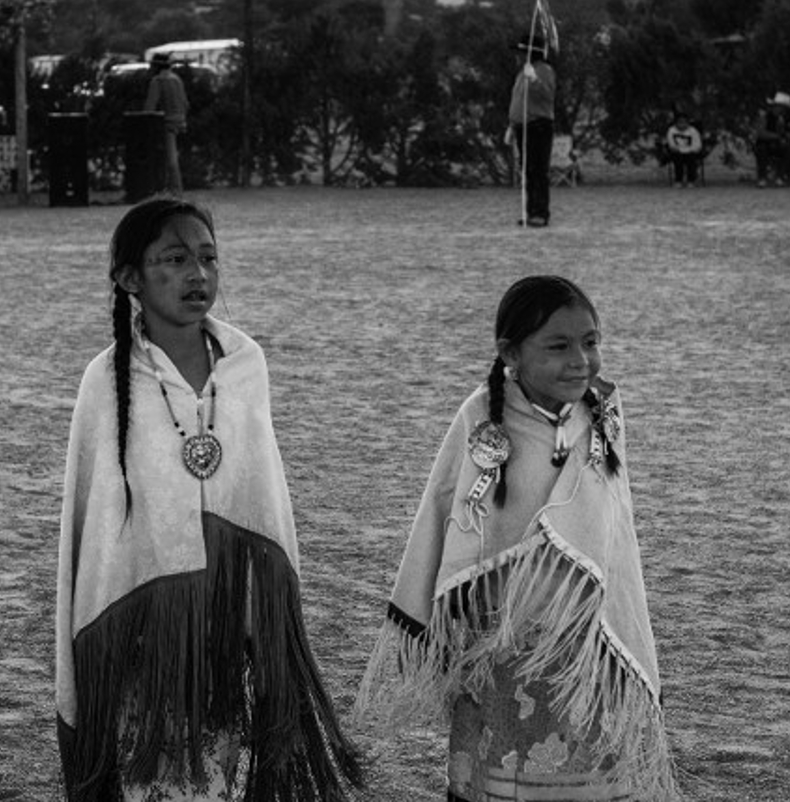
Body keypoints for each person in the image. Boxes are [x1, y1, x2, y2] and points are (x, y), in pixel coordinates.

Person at [54, 200, 362, 802]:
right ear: (129, 278)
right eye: (174, 259)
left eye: (208, 258)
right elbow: (93, 529)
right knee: (150, 778)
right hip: (141, 640)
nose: (198, 275)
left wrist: (254, 618)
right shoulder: (106, 380)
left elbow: (261, 498)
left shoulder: (245, 367)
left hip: (229, 632)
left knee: (225, 773)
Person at [356, 275, 679, 801]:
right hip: (501, 637)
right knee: (502, 769)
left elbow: (613, 531)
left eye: (591, 342)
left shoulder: (602, 414)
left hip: (586, 641)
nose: (581, 359)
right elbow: (447, 512)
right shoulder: (482, 417)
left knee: (585, 773)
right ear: (511, 353)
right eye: (559, 346)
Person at [507, 42, 556, 225]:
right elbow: (518, 99)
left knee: (538, 170)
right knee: (527, 170)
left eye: (521, 52)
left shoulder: (544, 70)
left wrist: (534, 80)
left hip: (538, 125)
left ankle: (541, 213)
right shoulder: (523, 72)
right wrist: (512, 125)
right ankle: (530, 211)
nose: (518, 56)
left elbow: (548, 96)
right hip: (523, 126)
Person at [142, 53, 190, 197]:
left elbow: (150, 107)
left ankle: (175, 191)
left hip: (167, 123)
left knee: (170, 159)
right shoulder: (177, 79)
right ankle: (173, 189)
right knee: (173, 157)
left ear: (156, 66)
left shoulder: (158, 81)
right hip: (181, 121)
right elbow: (186, 103)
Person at [751, 92, 790, 187]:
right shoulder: (764, 117)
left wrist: (785, 137)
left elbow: (784, 133)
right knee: (761, 149)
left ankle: (780, 177)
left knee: (787, 149)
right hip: (763, 144)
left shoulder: (783, 119)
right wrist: (777, 136)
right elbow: (760, 133)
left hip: (776, 145)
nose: (782, 110)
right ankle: (762, 178)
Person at [664, 110, 704, 188]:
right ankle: (678, 180)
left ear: (688, 123)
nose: (682, 125)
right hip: (677, 152)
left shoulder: (693, 131)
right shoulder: (671, 131)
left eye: (684, 122)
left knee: (691, 160)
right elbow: (671, 144)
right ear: (676, 123)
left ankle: (691, 180)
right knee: (677, 159)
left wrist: (688, 150)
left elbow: (697, 145)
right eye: (680, 122)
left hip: (690, 152)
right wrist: (679, 150)